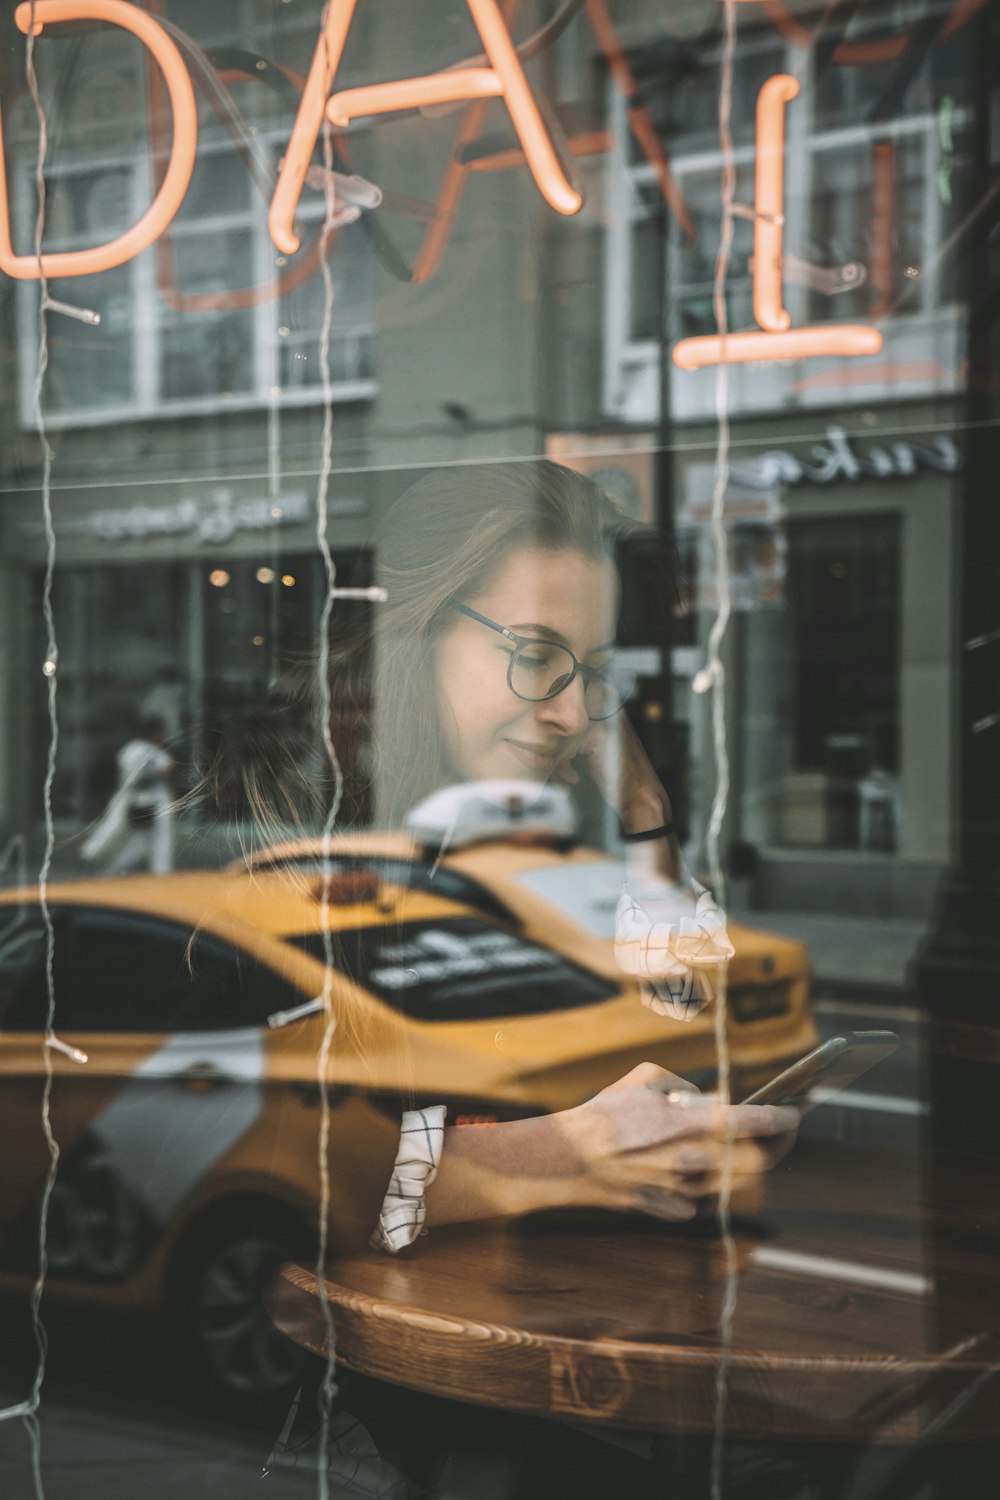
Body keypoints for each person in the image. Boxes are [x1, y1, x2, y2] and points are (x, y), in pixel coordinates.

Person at [244, 461, 799, 1247]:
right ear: (416, 634)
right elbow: (287, 1162)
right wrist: (568, 1154)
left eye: (595, 671)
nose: (575, 714)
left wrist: (648, 820)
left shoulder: (505, 844)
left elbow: (687, 1021)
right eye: (537, 657)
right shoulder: (281, 836)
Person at [82, 716, 175, 875]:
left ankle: (110, 868)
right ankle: (98, 860)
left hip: (138, 798)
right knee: (116, 832)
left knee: (141, 841)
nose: (164, 736)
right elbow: (156, 770)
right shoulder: (141, 749)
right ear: (155, 732)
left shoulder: (136, 749)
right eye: (162, 732)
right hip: (141, 798)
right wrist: (159, 771)